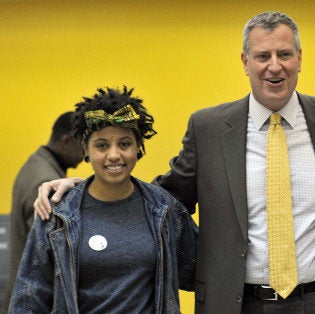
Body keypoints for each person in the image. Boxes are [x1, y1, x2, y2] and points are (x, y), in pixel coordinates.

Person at [34, 12, 315, 313]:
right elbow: (163, 197)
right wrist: (87, 187)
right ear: (245, 62)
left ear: (300, 57)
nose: (275, 67)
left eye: (284, 54)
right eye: (263, 56)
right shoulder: (208, 128)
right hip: (236, 303)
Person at [10, 87, 197, 312]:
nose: (114, 154)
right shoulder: (57, 214)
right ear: (85, 150)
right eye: (101, 145)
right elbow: (29, 298)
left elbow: (202, 271)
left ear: (138, 147)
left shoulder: (165, 208)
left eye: (125, 143)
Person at [1, 112, 83, 313]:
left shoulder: (36, 164)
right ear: (66, 140)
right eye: (83, 147)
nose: (86, 157)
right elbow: (48, 256)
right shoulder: (45, 182)